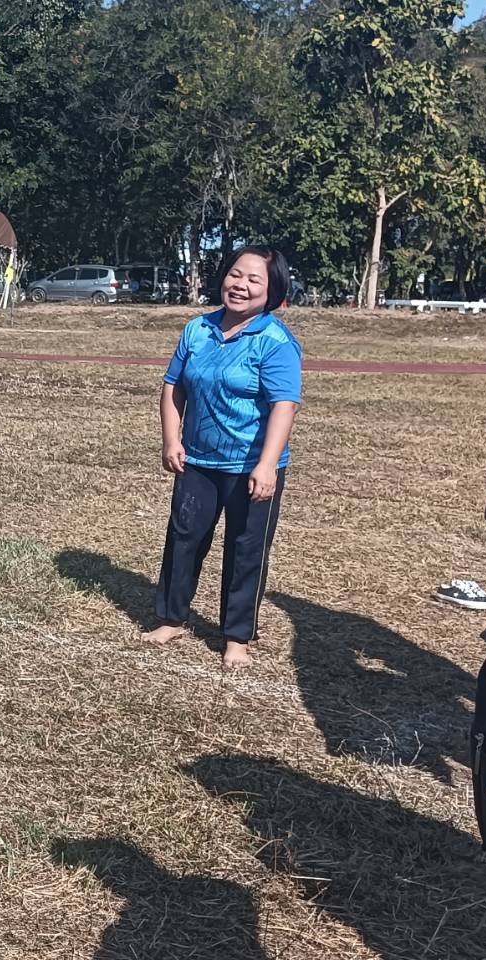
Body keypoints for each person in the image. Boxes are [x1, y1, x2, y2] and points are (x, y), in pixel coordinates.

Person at [143, 245, 302, 672]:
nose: (240, 285)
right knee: (184, 538)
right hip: (197, 461)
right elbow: (173, 386)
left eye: (253, 279)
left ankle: (237, 636)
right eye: (235, 274)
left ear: (272, 290)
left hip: (251, 467)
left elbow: (284, 406)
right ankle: (171, 618)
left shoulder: (275, 342)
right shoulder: (197, 330)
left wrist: (267, 465)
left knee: (246, 550)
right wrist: (171, 439)